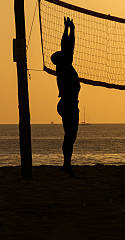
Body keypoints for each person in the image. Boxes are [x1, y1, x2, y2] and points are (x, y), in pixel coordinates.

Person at [51, 17, 80, 176]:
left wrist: (67, 29)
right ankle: (66, 164)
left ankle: (66, 163)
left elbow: (66, 47)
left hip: (66, 104)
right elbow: (69, 47)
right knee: (70, 135)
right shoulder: (65, 66)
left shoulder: (62, 67)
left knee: (70, 135)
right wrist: (71, 30)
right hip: (68, 104)